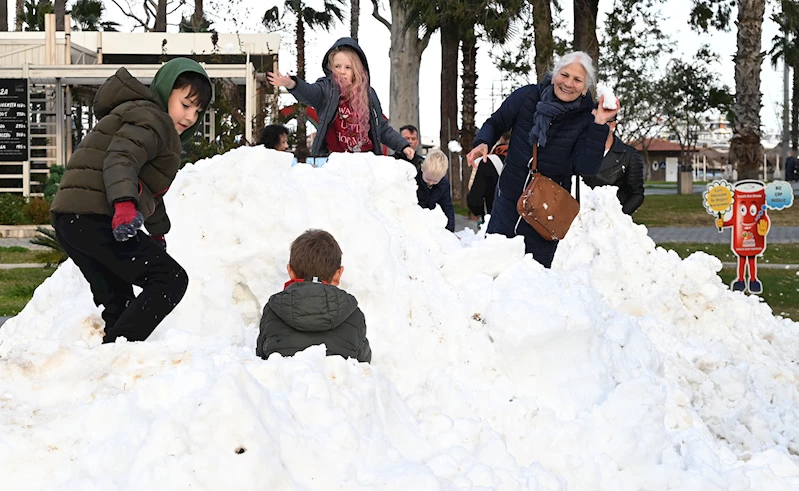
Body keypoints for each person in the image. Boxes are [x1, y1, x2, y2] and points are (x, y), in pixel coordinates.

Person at [50, 58, 213, 343]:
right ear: (165, 92)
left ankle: (111, 366)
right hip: (94, 215)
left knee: (119, 303)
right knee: (170, 280)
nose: (190, 117)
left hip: (70, 218)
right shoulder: (153, 119)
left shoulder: (143, 118)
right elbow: (121, 159)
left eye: (197, 111)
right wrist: (124, 205)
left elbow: (146, 188)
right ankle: (118, 355)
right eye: (185, 105)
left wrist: (158, 230)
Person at [465, 51, 618, 268]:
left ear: (585, 88)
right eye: (564, 75)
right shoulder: (527, 96)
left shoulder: (587, 120)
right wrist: (483, 142)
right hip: (508, 198)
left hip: (546, 210)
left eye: (577, 80)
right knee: (492, 266)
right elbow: (496, 123)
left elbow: (587, 167)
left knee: (533, 278)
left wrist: (600, 122)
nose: (568, 83)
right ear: (555, 74)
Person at [267, 38, 414, 160]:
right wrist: (292, 84)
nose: (342, 72)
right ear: (331, 68)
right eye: (337, 66)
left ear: (357, 70)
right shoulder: (327, 89)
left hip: (365, 159)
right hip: (336, 161)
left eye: (348, 67)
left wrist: (403, 145)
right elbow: (310, 93)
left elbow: (381, 127)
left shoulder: (368, 94)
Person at [256, 229, 372, 363]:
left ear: (290, 271)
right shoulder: (353, 314)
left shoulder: (273, 310)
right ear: (338, 274)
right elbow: (364, 367)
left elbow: (261, 361)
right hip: (335, 382)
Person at [581, 116, 645, 215]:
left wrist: (619, 217)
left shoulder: (629, 156)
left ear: (612, 125)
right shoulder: (577, 152)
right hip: (578, 220)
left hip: (611, 221)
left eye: (599, 122)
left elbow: (636, 194)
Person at [467, 131, 510, 221]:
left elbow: (474, 200)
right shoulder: (531, 162)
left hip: (494, 222)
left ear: (500, 138)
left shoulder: (487, 162)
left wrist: (481, 214)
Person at [416, 149, 455, 232]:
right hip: (416, 219)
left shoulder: (443, 185)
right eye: (428, 179)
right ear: (422, 168)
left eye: (435, 181)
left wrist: (450, 231)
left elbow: (447, 207)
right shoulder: (414, 180)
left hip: (433, 222)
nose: (431, 183)